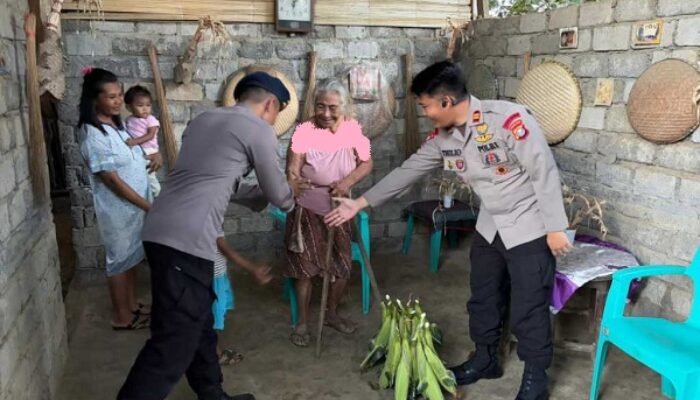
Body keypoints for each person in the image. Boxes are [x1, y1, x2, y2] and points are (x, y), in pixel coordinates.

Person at [325, 61, 573, 400]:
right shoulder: (444, 138)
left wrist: (556, 227)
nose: (425, 113)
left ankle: (536, 377)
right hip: (490, 225)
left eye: (425, 106)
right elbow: (408, 170)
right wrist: (362, 202)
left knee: (529, 304)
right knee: (483, 295)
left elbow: (543, 170)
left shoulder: (508, 121)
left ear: (445, 102)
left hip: (530, 225)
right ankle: (485, 359)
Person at [117, 72, 310, 400]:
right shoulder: (258, 129)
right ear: (270, 104)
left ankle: (212, 395)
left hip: (160, 229)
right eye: (277, 114)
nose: (274, 120)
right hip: (187, 240)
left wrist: (262, 194)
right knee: (171, 345)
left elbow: (219, 182)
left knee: (199, 323)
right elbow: (280, 196)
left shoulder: (205, 120)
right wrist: (290, 194)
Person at [284, 78, 372, 347]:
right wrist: (292, 181)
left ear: (343, 107)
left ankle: (331, 314)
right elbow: (292, 168)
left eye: (332, 107)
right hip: (307, 209)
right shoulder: (304, 130)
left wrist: (347, 183)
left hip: (340, 209)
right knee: (305, 268)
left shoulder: (353, 130)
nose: (325, 113)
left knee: (341, 266)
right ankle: (302, 324)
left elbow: (367, 162)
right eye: (320, 106)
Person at [77, 68, 161, 331]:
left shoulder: (117, 125)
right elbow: (111, 179)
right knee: (118, 261)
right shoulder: (93, 134)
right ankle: (122, 317)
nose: (117, 101)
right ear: (95, 99)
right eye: (111, 97)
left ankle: (132, 304)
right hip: (119, 210)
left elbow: (130, 155)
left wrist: (152, 157)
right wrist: (147, 205)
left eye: (119, 95)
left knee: (132, 257)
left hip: (135, 207)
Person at [212, 233, 273, 366]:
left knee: (206, 316)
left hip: (207, 273)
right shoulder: (209, 217)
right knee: (210, 319)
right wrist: (253, 268)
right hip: (213, 277)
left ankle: (210, 350)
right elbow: (226, 249)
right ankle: (215, 353)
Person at [124, 85, 162, 196]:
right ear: (129, 107)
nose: (145, 109)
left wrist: (134, 142)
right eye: (140, 105)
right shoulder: (129, 120)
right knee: (139, 174)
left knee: (149, 174)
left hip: (149, 150)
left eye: (148, 105)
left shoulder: (151, 119)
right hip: (137, 149)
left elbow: (150, 135)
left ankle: (157, 193)